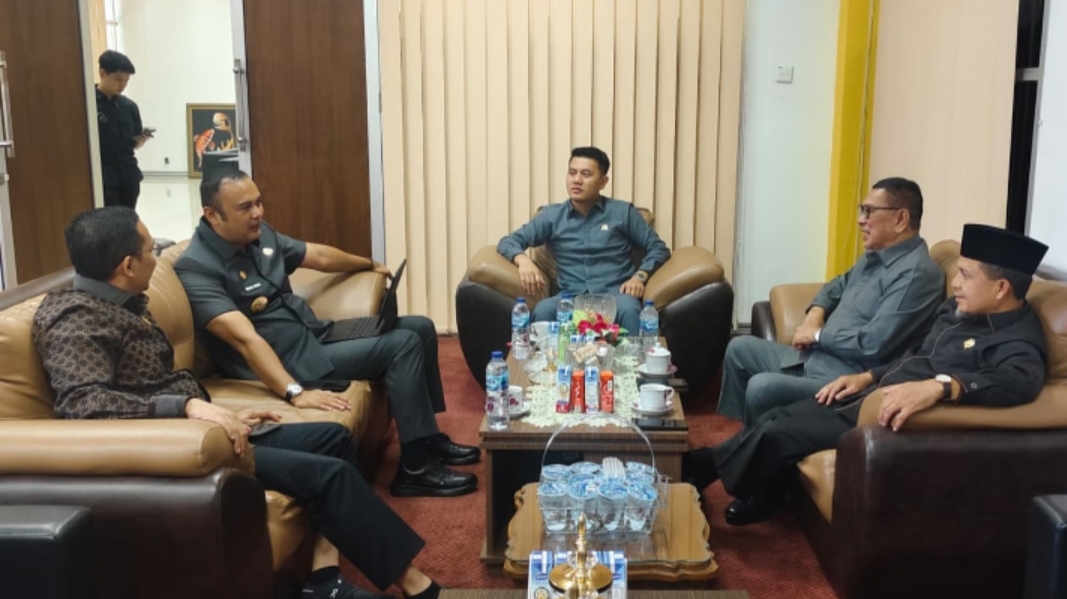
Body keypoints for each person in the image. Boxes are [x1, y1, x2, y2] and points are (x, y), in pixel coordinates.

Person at [33, 207, 446, 599]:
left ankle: (323, 579)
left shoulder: (121, 301)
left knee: (334, 439)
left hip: (203, 429)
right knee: (330, 475)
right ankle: (414, 583)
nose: (156, 258)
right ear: (127, 266)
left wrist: (221, 413)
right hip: (175, 451)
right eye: (150, 249)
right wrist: (188, 408)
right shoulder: (75, 319)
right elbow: (82, 403)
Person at [685, 224, 1049, 526]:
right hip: (873, 392)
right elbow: (916, 357)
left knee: (779, 430)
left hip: (892, 419)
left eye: (966, 276)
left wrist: (942, 387)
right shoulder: (959, 311)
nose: (954, 284)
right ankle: (744, 482)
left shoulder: (1017, 341)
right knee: (779, 415)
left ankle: (700, 468)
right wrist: (869, 377)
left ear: (1001, 288)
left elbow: (1020, 381)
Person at [173, 168, 478, 498]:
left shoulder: (258, 234)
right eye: (245, 207)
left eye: (259, 202)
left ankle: (427, 438)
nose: (258, 212)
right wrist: (294, 391)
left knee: (420, 327)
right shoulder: (197, 267)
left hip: (311, 334)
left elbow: (316, 255)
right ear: (212, 215)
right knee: (402, 345)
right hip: (288, 361)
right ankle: (416, 469)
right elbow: (244, 340)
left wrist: (367, 263)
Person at [717, 177, 945, 427]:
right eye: (862, 210)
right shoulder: (875, 255)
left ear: (900, 219)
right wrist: (814, 315)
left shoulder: (916, 274)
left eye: (869, 211)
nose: (860, 220)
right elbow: (837, 285)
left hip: (845, 380)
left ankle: (752, 444)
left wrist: (817, 335)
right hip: (813, 359)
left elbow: (873, 344)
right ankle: (739, 436)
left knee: (762, 387)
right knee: (739, 349)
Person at [496, 146, 671, 334]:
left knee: (630, 309)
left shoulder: (623, 213)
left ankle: (637, 354)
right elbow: (509, 242)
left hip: (616, 297)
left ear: (603, 182)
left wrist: (640, 277)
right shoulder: (552, 216)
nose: (577, 180)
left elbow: (658, 248)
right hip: (570, 299)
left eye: (586, 174)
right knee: (543, 310)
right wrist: (523, 260)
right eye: (572, 173)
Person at [95, 51, 150, 210]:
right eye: (119, 79)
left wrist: (140, 141)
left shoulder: (129, 107)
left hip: (129, 175)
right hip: (104, 176)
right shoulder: (88, 103)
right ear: (102, 73)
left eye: (126, 80)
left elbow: (133, 143)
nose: (123, 85)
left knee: (129, 219)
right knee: (109, 220)